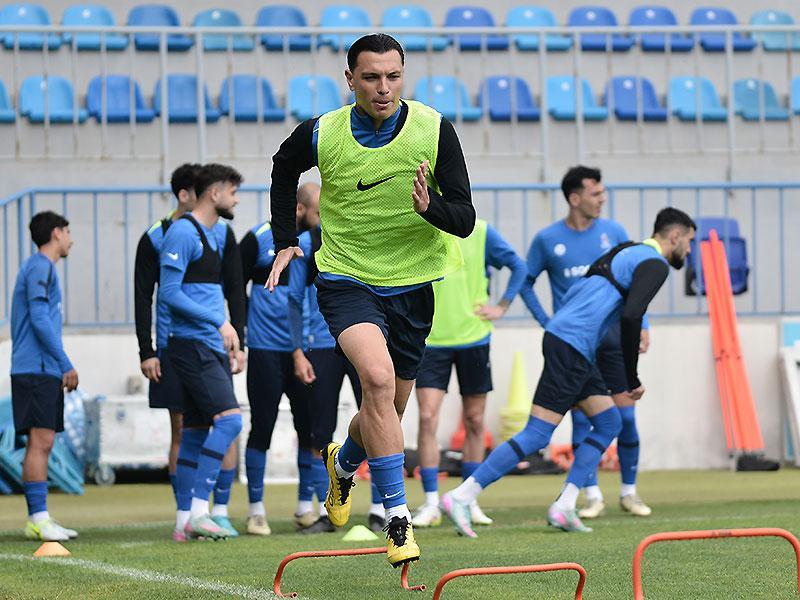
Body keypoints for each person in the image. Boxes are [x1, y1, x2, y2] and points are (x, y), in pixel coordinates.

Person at [266, 33, 475, 566]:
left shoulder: (434, 129)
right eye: (372, 77)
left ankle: (343, 464)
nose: (384, 88)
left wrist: (430, 209)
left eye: (393, 76)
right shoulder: (323, 132)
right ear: (350, 79)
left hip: (413, 287)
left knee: (388, 410)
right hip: (347, 279)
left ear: (403, 76)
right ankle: (397, 520)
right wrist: (286, 238)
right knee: (377, 382)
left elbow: (465, 219)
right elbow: (283, 167)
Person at [441, 208, 695, 537]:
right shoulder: (655, 263)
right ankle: (462, 495)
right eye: (689, 241)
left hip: (573, 343)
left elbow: (582, 291)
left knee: (609, 422)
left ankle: (564, 505)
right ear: (674, 237)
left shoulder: (626, 250)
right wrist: (631, 379)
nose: (689, 249)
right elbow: (632, 315)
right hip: (572, 345)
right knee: (537, 434)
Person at [520, 165, 653, 518]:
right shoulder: (547, 239)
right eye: (596, 193)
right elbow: (525, 281)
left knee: (626, 417)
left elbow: (636, 279)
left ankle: (629, 492)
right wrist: (546, 321)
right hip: (578, 344)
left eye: (603, 192)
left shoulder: (614, 232)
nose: (602, 199)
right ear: (575, 198)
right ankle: (591, 495)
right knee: (583, 420)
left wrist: (643, 323)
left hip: (614, 339)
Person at [134, 163, 242, 541]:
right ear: (214, 193)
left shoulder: (211, 235)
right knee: (230, 422)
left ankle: (183, 522)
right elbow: (168, 293)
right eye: (232, 192)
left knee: (195, 432)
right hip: (192, 345)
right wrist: (219, 321)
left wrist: (230, 336)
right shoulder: (182, 232)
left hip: (209, 344)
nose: (236, 200)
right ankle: (199, 510)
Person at [412, 217, 527, 529]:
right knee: (427, 418)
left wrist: (502, 306)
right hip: (431, 340)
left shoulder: (481, 230)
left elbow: (519, 266)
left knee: (475, 420)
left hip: (474, 338)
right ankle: (431, 502)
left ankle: (467, 498)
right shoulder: (421, 223)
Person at [288, 183, 386, 535]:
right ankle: (326, 511)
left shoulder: (363, 233)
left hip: (364, 343)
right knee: (321, 429)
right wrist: (297, 350)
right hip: (322, 347)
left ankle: (382, 509)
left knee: (378, 420)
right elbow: (294, 299)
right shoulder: (307, 243)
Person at [238, 183, 317, 536]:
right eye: (317, 212)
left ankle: (305, 508)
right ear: (299, 209)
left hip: (306, 350)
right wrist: (242, 331)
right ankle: (256, 511)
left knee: (309, 430)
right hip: (265, 350)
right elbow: (233, 285)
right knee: (262, 427)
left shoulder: (317, 243)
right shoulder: (258, 239)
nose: (321, 218)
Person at [11, 211, 79, 542]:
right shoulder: (40, 266)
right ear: (56, 233)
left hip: (40, 368)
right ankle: (38, 519)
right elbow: (39, 319)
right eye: (68, 232)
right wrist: (65, 363)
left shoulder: (40, 267)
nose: (71, 240)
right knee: (41, 442)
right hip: (37, 368)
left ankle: (39, 517)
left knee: (43, 442)